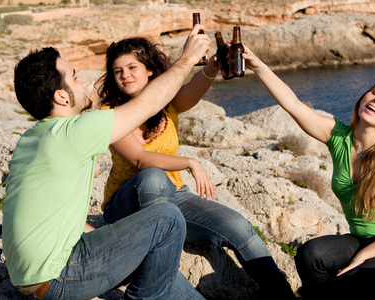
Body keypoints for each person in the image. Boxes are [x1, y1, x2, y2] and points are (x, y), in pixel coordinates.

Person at [3, 24, 211, 300]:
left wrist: (108, 235)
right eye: (75, 77)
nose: (82, 81)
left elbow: (54, 214)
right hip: (57, 278)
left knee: (149, 254)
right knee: (168, 219)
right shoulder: (74, 132)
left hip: (34, 278)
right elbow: (149, 103)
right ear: (61, 96)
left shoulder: (33, 139)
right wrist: (187, 60)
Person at [96, 36, 296, 299]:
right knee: (153, 177)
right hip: (125, 207)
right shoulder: (110, 112)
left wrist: (212, 67)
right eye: (118, 71)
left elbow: (192, 90)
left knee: (237, 226)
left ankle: (283, 295)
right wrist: (190, 162)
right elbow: (140, 159)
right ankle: (157, 248)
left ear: (149, 70)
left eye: (132, 68)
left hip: (173, 195)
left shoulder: (168, 103)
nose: (125, 76)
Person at [242, 47, 375, 299]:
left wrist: (363, 256)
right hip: (360, 240)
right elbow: (293, 105)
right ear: (363, 96)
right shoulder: (338, 137)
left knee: (345, 285)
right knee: (310, 255)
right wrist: (257, 65)